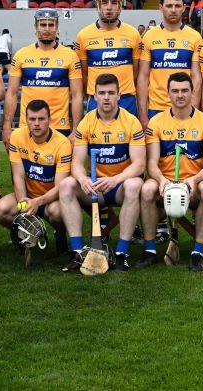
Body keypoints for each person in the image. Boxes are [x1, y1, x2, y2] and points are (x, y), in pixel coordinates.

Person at [57, 74, 146, 272]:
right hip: (95, 188)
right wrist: (83, 179)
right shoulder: (85, 123)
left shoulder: (131, 122)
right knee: (66, 185)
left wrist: (115, 180)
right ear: (95, 96)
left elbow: (139, 165)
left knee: (134, 185)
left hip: (120, 186)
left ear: (119, 96)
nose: (106, 97)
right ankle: (79, 252)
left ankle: (122, 253)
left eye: (111, 93)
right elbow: (77, 163)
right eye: (102, 93)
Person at [139, 72, 203, 270]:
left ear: (193, 92)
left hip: (194, 184)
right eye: (175, 91)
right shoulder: (156, 122)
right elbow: (151, 163)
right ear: (168, 94)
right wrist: (161, 180)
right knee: (147, 189)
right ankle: (150, 250)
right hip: (164, 183)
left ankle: (197, 252)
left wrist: (194, 180)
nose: (180, 95)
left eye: (184, 90)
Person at [0, 99, 72, 254]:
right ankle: (24, 235)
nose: (36, 123)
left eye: (41, 119)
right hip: (28, 195)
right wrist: (24, 203)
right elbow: (18, 175)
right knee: (0, 209)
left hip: (50, 199)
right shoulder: (17, 136)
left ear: (49, 120)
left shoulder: (62, 143)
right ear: (26, 120)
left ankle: (60, 235)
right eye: (32, 119)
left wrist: (38, 202)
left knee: (59, 213)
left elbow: (60, 187)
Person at [3, 8, 83, 142]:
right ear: (35, 27)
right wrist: (6, 126)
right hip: (27, 126)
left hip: (59, 126)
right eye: (43, 25)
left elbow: (77, 95)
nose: (47, 29)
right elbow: (11, 93)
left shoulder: (70, 56)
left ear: (57, 27)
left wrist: (76, 130)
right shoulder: (21, 55)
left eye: (51, 25)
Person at [136, 0, 203, 127]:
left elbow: (197, 78)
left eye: (177, 6)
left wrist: (194, 110)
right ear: (161, 8)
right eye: (169, 6)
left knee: (183, 149)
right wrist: (143, 114)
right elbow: (143, 77)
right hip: (156, 108)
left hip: (185, 108)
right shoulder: (149, 36)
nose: (173, 10)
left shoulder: (195, 36)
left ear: (184, 8)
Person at [75, 0, 141, 116]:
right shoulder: (83, 35)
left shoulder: (133, 34)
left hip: (127, 99)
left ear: (120, 5)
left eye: (114, 2)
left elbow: (136, 73)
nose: (109, 7)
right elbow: (84, 74)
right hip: (96, 100)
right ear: (98, 4)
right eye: (104, 2)